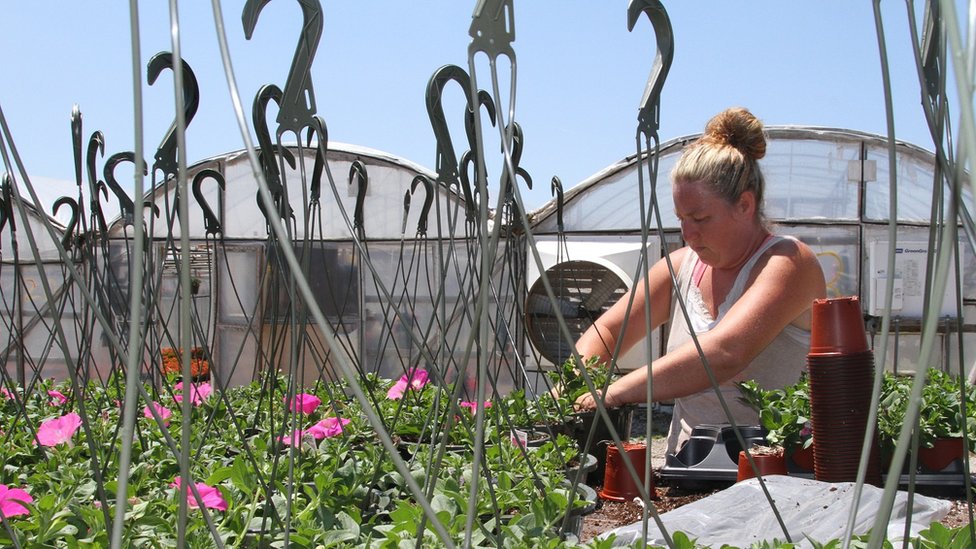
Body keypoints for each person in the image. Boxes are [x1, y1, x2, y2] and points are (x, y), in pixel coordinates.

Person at [573, 107, 826, 455]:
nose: (688, 234)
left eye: (701, 218)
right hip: (688, 466)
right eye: (681, 219)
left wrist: (615, 392)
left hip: (773, 470)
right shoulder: (679, 268)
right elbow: (609, 332)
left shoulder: (789, 263)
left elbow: (724, 352)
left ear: (745, 205)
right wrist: (573, 381)